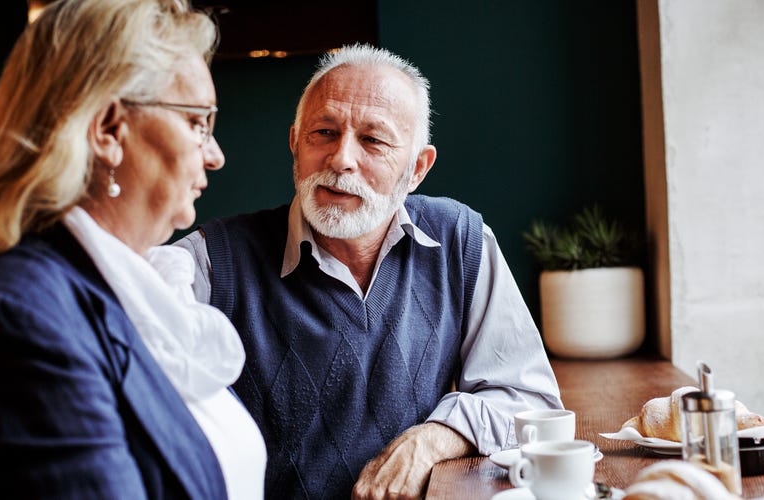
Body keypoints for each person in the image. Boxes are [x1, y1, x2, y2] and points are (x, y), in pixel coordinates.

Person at [177, 43, 563, 499]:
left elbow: (530, 403)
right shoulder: (208, 262)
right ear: (294, 144)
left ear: (417, 168)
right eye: (323, 132)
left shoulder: (460, 242)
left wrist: (434, 438)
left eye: (373, 140)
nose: (341, 158)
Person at [0, 0, 266, 498]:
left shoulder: (139, 289)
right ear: (108, 130)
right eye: (199, 122)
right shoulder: (23, 315)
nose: (216, 156)